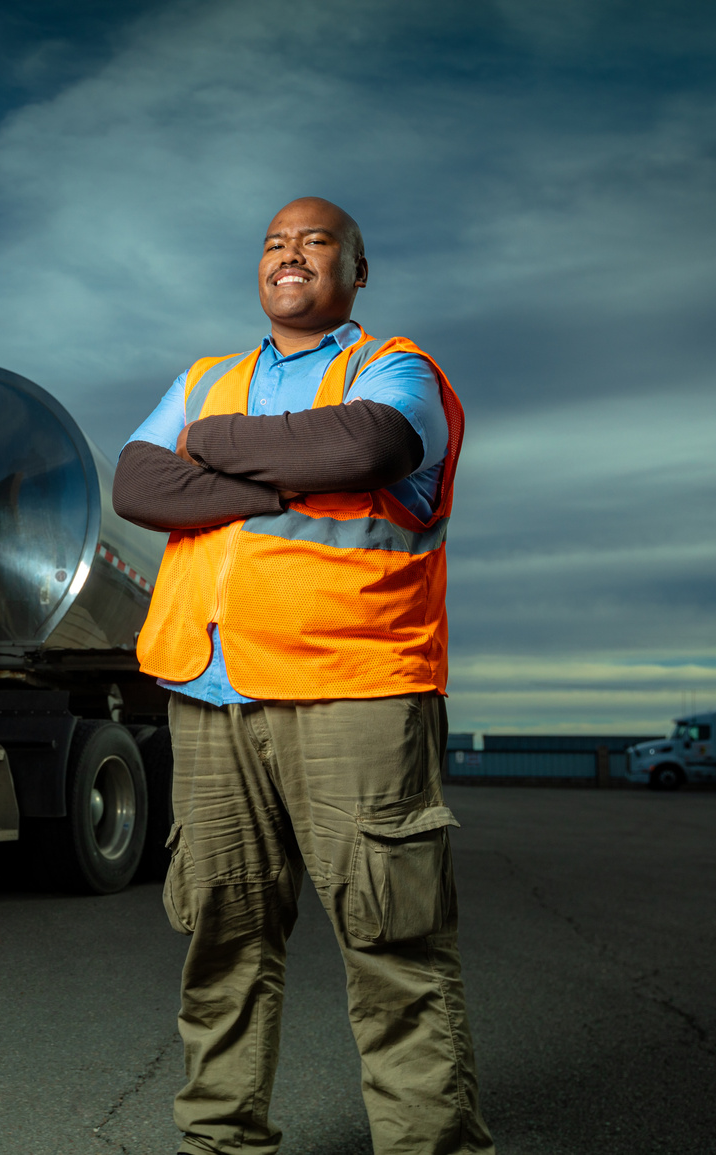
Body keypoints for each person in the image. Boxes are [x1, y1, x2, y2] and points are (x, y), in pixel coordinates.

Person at [113, 197, 494, 1155]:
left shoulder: (396, 369)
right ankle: (219, 1141)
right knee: (222, 935)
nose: (291, 254)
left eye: (317, 241)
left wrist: (211, 445)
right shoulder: (208, 374)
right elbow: (137, 485)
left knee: (392, 944)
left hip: (355, 688)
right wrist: (286, 469)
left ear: (357, 271)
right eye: (276, 242)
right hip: (211, 689)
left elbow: (367, 446)